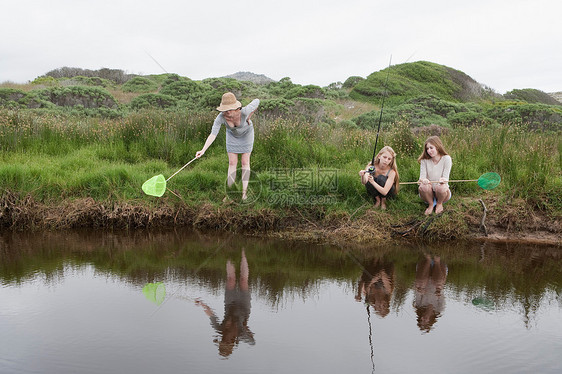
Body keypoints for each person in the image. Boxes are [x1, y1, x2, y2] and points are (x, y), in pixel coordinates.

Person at [196, 92, 260, 201]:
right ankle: (230, 193)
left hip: (247, 135)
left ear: (236, 108)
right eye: (225, 109)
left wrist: (249, 116)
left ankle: (244, 193)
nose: (227, 112)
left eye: (229, 109)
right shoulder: (220, 117)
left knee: (245, 162)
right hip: (232, 136)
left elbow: (257, 101)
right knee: (232, 163)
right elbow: (213, 134)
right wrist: (203, 150)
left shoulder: (244, 111)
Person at [195, 249, 254, 357]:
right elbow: (252, 342)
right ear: (230, 342)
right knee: (243, 281)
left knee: (231, 279)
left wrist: (201, 304)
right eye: (225, 341)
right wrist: (246, 329)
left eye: (222, 341)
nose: (224, 339)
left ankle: (229, 252)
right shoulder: (240, 334)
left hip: (230, 303)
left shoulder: (219, 329)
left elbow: (211, 314)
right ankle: (243, 253)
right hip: (243, 306)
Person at [417, 136, 452, 215]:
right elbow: (421, 177)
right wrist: (424, 180)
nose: (429, 151)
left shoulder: (447, 158)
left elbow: (446, 177)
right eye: (427, 149)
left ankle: (439, 203)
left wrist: (443, 180)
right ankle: (431, 204)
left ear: (437, 146)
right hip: (428, 192)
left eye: (431, 148)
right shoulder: (424, 160)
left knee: (441, 187)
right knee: (422, 186)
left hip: (442, 192)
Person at [413, 253, 447, 333]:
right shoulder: (439, 309)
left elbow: (416, 289)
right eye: (425, 321)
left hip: (424, 270)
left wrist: (420, 290)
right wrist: (439, 292)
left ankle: (428, 259)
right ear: (430, 320)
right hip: (439, 272)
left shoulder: (419, 305)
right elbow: (442, 291)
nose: (422, 318)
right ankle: (437, 260)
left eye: (420, 320)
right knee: (438, 284)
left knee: (420, 283)